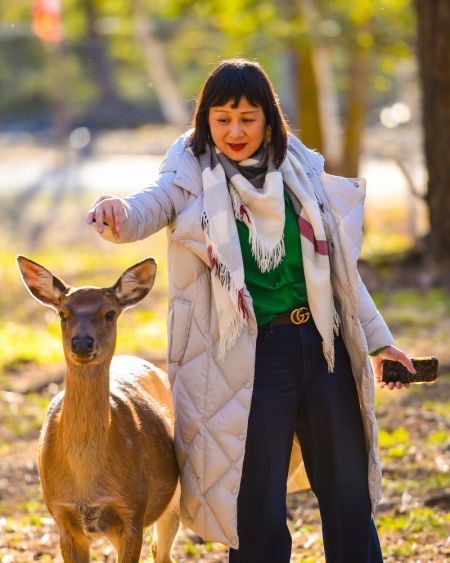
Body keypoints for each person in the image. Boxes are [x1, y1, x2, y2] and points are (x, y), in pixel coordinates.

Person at [87, 58, 415, 563]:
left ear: (269, 118)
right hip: (248, 358)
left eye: (247, 118)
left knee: (348, 495)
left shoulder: (299, 169)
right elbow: (146, 208)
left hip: (322, 348)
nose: (235, 131)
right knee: (255, 507)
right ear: (205, 120)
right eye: (222, 118)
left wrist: (379, 340)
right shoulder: (190, 171)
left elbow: (340, 274)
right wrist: (117, 213)